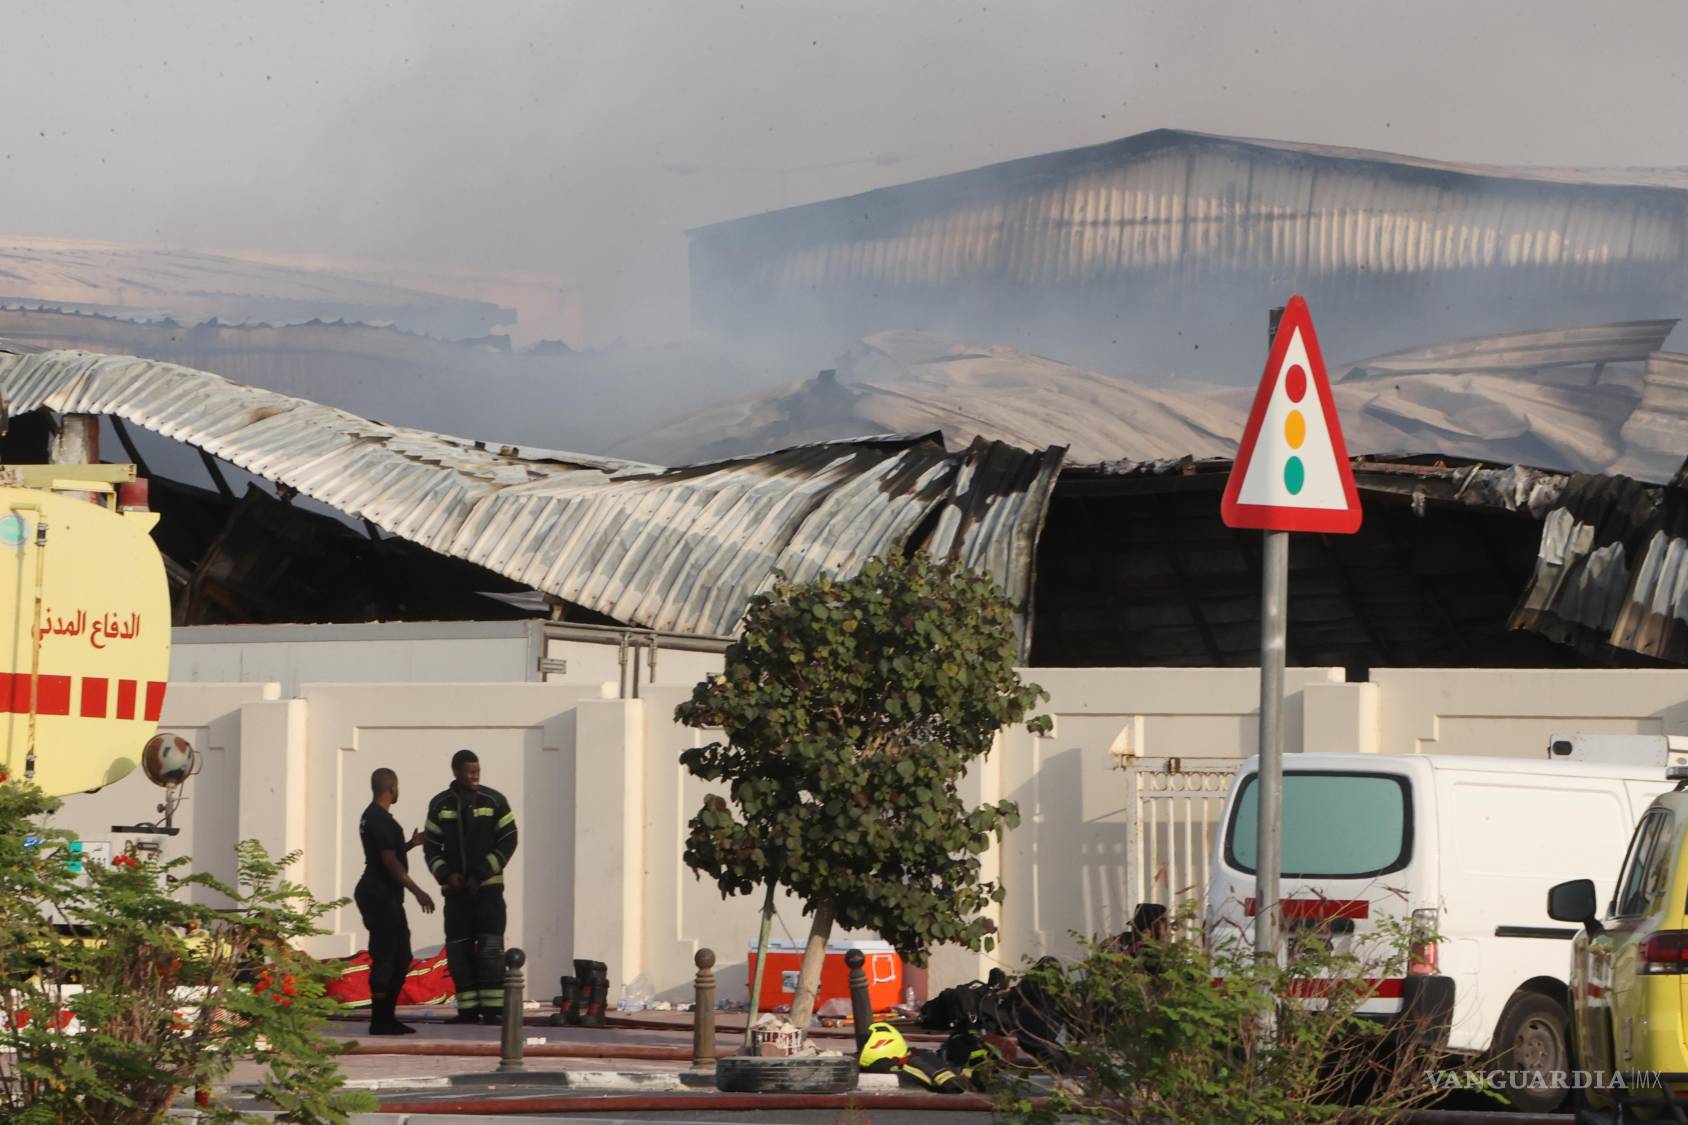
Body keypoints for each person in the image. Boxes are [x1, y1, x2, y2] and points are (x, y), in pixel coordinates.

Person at [423, 749, 519, 1025]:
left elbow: (509, 840)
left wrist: (482, 872)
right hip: (455, 895)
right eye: (469, 771)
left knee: (490, 950)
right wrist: (446, 875)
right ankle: (467, 1010)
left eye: (477, 770)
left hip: (488, 892)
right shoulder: (440, 805)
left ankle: (493, 1011)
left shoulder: (494, 800)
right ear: (455, 772)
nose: (475, 775)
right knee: (458, 951)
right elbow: (431, 847)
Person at [355, 767, 436, 1036]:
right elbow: (389, 861)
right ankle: (380, 1020)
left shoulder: (372, 817)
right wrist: (417, 890)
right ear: (392, 788)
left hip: (380, 893)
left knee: (400, 956)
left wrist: (410, 844)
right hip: (379, 894)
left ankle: (387, 1017)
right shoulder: (380, 820)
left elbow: (387, 852)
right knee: (387, 956)